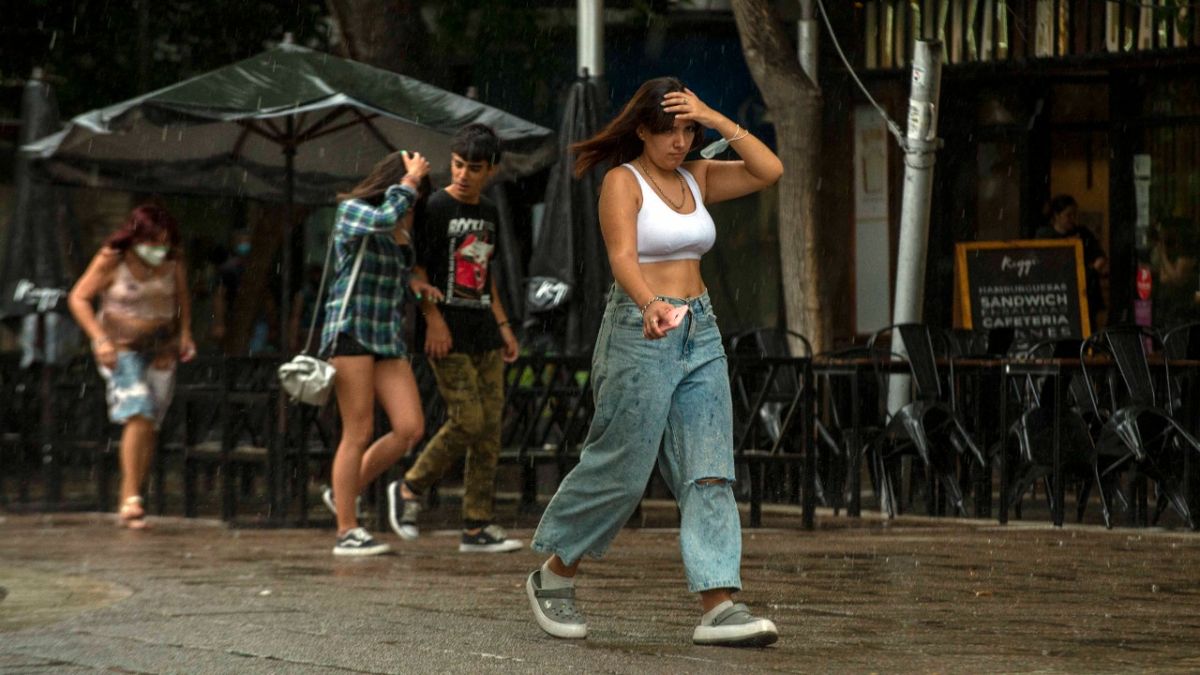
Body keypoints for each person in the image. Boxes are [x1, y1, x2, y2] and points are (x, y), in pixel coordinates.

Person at [524, 77, 784, 646]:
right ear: (642, 129)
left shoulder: (700, 174)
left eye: (687, 129)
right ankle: (555, 576)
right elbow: (621, 255)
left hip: (701, 330)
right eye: (670, 130)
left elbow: (770, 171)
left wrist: (716, 115)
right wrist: (649, 304)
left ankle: (719, 604)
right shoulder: (624, 181)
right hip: (638, 328)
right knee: (622, 466)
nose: (679, 140)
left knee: (709, 466)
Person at [389, 123, 522, 553]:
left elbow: (486, 275)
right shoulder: (432, 207)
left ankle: (476, 525)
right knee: (469, 419)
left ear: (491, 170)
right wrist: (433, 320)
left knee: (489, 432)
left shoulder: (490, 211)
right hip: (445, 334)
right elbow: (417, 269)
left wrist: (503, 326)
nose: (463, 174)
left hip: (484, 329)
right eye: (459, 164)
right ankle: (409, 487)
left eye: (474, 167)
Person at [320, 149, 440, 556]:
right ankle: (346, 530)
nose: (416, 199)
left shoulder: (403, 227)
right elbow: (382, 220)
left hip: (386, 337)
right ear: (393, 181)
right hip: (351, 328)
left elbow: (392, 270)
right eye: (415, 188)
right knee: (358, 430)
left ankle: (343, 493)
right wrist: (408, 182)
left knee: (410, 427)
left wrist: (416, 286)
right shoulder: (354, 211)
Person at [67, 204, 197, 529]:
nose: (158, 250)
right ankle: (130, 496)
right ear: (136, 238)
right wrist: (99, 339)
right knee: (138, 410)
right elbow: (78, 297)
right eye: (152, 243)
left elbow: (182, 299)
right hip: (120, 349)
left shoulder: (173, 261)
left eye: (164, 243)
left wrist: (185, 334)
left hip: (161, 350)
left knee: (150, 423)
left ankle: (135, 491)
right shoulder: (112, 259)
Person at [1035, 194, 1107, 330]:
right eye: (1068, 215)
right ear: (1056, 215)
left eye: (1075, 215)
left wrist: (1088, 273)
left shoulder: (1083, 233)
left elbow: (1100, 258)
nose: (1073, 219)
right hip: (1055, 292)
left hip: (1082, 292)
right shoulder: (1045, 235)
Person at [211, 229, 277, 355]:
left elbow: (267, 296)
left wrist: (272, 322)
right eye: (241, 241)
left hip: (258, 320)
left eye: (246, 241)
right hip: (234, 320)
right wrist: (219, 322)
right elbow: (219, 296)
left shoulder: (259, 268)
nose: (244, 244)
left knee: (254, 354)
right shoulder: (227, 270)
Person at [1151, 217, 1199, 329]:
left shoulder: (1186, 253)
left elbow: (1178, 279)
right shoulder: (1172, 253)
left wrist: (1163, 254)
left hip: (1183, 309)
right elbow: (1164, 278)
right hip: (1169, 308)